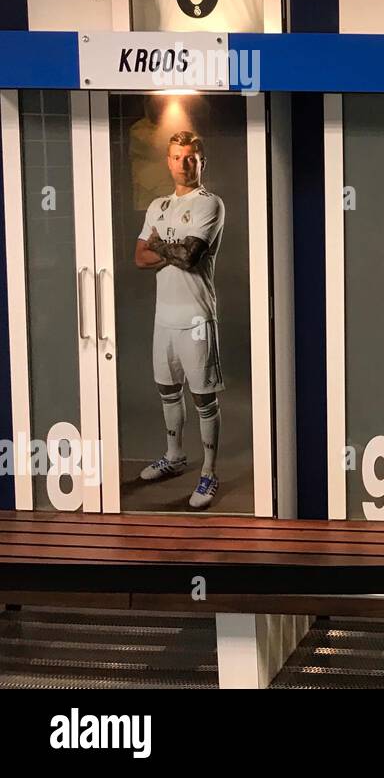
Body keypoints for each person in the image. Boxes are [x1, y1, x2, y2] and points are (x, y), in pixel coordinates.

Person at [134, 130, 226, 510]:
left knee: (203, 397)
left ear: (202, 160)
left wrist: (159, 245)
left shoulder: (210, 204)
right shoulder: (156, 206)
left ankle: (209, 472)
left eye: (191, 158)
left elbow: (190, 257)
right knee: (166, 389)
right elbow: (139, 257)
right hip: (164, 317)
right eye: (177, 157)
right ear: (168, 161)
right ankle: (174, 457)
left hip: (197, 316)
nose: (184, 164)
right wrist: (165, 248)